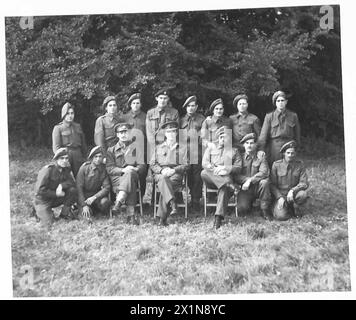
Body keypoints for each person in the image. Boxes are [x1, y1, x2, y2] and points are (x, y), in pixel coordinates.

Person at [201, 126, 242, 229]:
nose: (224, 139)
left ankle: (218, 218)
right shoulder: (210, 148)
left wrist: (225, 168)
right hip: (212, 177)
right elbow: (204, 163)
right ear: (218, 138)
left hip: (226, 177)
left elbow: (238, 167)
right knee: (203, 172)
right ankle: (230, 185)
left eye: (226, 137)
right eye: (221, 137)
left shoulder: (234, 151)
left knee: (224, 188)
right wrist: (211, 167)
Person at [150, 121, 189, 226]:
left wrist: (174, 170)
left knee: (165, 184)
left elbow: (186, 165)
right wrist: (162, 171)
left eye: (173, 132)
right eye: (168, 132)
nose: (171, 134)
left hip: (175, 174)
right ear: (165, 134)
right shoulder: (158, 148)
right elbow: (152, 164)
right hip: (160, 173)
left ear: (176, 133)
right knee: (163, 180)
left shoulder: (182, 148)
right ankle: (172, 204)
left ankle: (161, 218)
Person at [106, 123, 146, 225]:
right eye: (121, 132)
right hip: (118, 178)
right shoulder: (111, 150)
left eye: (126, 132)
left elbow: (142, 166)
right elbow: (110, 169)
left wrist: (134, 169)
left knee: (130, 175)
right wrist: (123, 170)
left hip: (133, 175)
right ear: (117, 135)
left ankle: (119, 201)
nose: (123, 134)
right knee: (129, 179)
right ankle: (130, 216)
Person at [33, 148, 78, 230]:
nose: (65, 161)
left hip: (55, 199)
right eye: (62, 158)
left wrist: (61, 185)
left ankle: (64, 214)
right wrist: (56, 194)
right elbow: (39, 191)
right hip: (43, 200)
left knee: (73, 191)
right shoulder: (47, 170)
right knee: (48, 224)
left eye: (66, 158)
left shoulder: (66, 169)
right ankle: (38, 211)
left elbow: (72, 183)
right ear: (56, 159)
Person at [234, 133, 272, 220]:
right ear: (243, 145)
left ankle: (264, 210)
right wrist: (246, 181)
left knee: (265, 182)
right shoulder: (239, 157)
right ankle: (249, 204)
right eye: (247, 143)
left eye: (252, 143)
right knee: (242, 209)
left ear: (255, 145)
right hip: (245, 189)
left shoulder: (260, 156)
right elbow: (236, 175)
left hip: (258, 187)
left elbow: (264, 172)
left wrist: (250, 180)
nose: (249, 145)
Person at [258, 90, 301, 166]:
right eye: (278, 101)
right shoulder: (269, 116)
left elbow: (297, 134)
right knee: (275, 169)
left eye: (282, 100)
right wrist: (261, 149)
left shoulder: (293, 116)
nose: (280, 103)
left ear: (286, 102)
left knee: (289, 169)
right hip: (274, 148)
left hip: (288, 146)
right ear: (275, 103)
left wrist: (296, 148)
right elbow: (263, 135)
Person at [270, 140, 309, 221]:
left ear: (295, 154)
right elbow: (272, 185)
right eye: (288, 153)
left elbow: (304, 183)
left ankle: (295, 206)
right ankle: (282, 207)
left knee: (303, 194)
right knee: (281, 217)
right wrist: (279, 197)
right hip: (281, 195)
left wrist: (292, 190)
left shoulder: (299, 165)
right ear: (284, 153)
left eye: (292, 153)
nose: (290, 155)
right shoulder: (276, 165)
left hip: (294, 194)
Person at [179, 95, 205, 212]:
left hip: (198, 151)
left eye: (193, 106)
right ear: (186, 108)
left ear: (196, 107)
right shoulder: (181, 120)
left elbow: (203, 135)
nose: (191, 108)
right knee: (187, 175)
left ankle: (195, 200)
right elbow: (179, 137)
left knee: (197, 176)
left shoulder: (202, 119)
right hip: (184, 152)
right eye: (188, 106)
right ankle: (185, 198)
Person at [121, 93, 148, 197]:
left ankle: (140, 199)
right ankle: (130, 199)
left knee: (142, 175)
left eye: (138, 103)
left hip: (143, 150)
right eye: (133, 103)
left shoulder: (146, 117)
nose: (136, 105)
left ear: (140, 105)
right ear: (130, 105)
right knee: (130, 174)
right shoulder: (125, 117)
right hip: (129, 151)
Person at [76, 146, 111, 222]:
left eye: (100, 156)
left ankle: (97, 211)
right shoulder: (84, 168)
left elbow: (107, 187)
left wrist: (94, 197)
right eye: (96, 157)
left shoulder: (103, 170)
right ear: (92, 158)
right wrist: (84, 205)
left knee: (105, 202)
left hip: (96, 197)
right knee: (87, 219)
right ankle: (81, 209)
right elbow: (79, 188)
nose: (98, 159)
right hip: (84, 198)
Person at [52, 102, 87, 177]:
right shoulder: (58, 128)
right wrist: (61, 159)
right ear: (63, 115)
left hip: (77, 154)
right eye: (68, 113)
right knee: (65, 177)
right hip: (66, 155)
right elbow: (56, 147)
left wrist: (84, 157)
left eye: (72, 113)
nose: (70, 116)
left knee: (80, 177)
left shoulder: (78, 126)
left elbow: (83, 144)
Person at [146, 88, 179, 155]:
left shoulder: (174, 112)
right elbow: (149, 132)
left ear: (168, 99)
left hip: (169, 145)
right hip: (154, 145)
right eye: (160, 98)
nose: (162, 100)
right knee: (154, 164)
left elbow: (176, 130)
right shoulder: (150, 113)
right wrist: (154, 147)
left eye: (165, 98)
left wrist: (169, 145)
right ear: (156, 98)